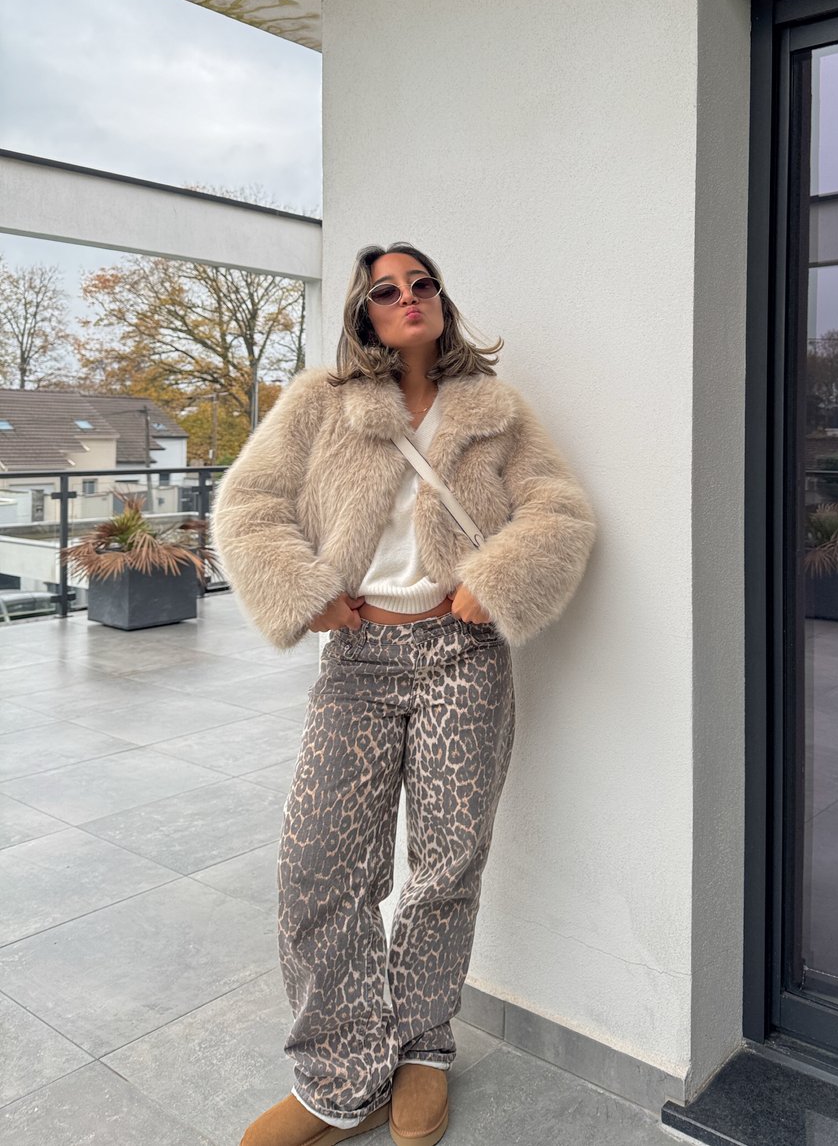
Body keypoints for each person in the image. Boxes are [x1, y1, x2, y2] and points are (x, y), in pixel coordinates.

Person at [210, 242, 597, 1146]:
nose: (409, 298)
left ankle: (422, 1049)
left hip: (464, 657)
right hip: (359, 664)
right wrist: (305, 595)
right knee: (318, 868)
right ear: (364, 312)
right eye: (388, 290)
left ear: (440, 303)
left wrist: (493, 581)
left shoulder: (496, 413)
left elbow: (560, 511)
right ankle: (340, 1075)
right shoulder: (321, 404)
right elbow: (247, 506)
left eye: (422, 284)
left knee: (444, 864)